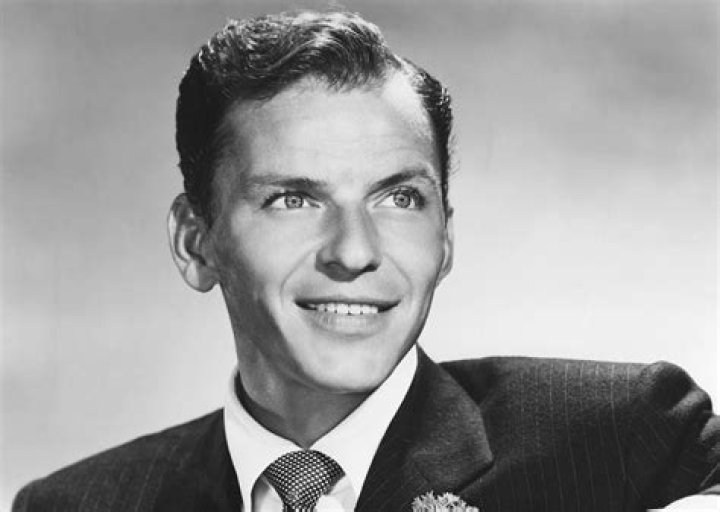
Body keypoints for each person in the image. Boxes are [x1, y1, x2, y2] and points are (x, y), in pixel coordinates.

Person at [12, 10, 719, 512]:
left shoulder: (625, 439)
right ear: (196, 242)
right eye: (293, 199)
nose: (355, 251)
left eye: (399, 199)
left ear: (445, 239)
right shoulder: (79, 504)